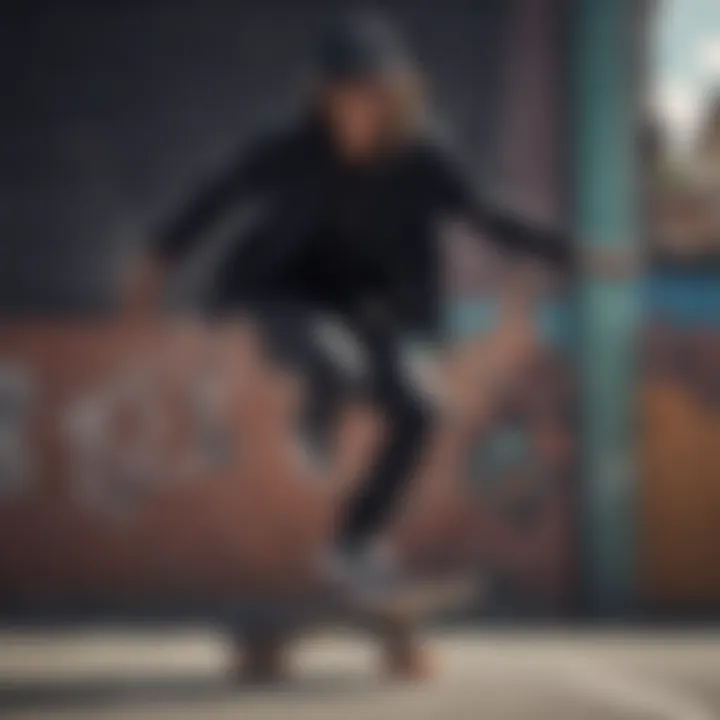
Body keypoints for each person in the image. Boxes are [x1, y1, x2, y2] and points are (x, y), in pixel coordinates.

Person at [125, 12, 572, 606]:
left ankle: (353, 544)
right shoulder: (287, 148)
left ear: (394, 98)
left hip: (369, 313)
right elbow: (217, 193)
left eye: (372, 99)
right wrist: (159, 256)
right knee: (334, 356)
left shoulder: (421, 159)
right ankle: (316, 419)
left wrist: (568, 250)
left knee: (420, 410)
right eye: (346, 99)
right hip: (283, 299)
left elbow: (485, 214)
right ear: (324, 97)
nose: (359, 114)